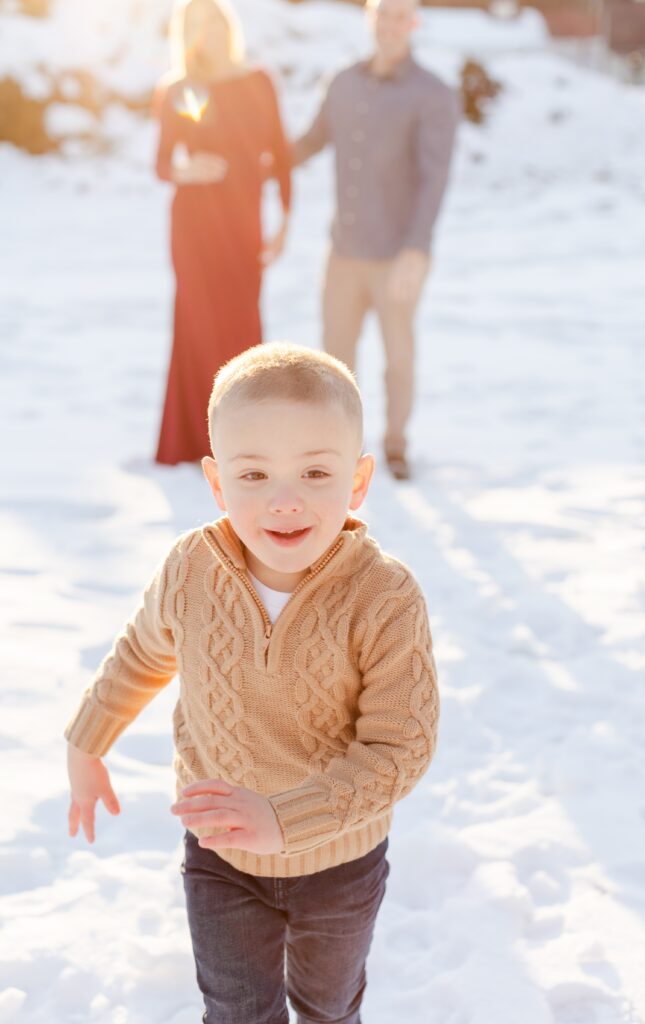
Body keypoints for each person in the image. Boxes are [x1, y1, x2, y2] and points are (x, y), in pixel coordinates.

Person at [65, 343, 439, 1024]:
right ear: (216, 484)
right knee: (236, 1010)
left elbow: (399, 748)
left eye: (315, 472)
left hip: (340, 861)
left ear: (356, 483)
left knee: (327, 1006)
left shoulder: (383, 597)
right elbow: (141, 654)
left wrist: (288, 820)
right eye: (255, 474)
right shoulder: (191, 570)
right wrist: (88, 741)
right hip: (220, 852)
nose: (284, 500)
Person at [292, 0, 458, 481]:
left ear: (414, 23)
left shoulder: (433, 94)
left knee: (397, 356)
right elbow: (308, 143)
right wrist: (255, 161)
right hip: (342, 251)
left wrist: (416, 250)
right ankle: (337, 447)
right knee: (334, 358)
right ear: (370, 19)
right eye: (382, 15)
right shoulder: (343, 82)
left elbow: (434, 179)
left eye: (400, 17)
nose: (390, 26)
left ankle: (396, 443)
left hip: (397, 255)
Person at [154, 0, 291, 465]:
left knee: (242, 328)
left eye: (211, 20)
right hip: (192, 229)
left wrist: (285, 220)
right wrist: (185, 170)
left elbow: (282, 153)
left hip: (242, 226)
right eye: (194, 25)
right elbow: (162, 162)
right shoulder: (177, 88)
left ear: (226, 25)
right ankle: (194, 443)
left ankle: (246, 440)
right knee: (196, 328)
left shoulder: (258, 82)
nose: (205, 32)